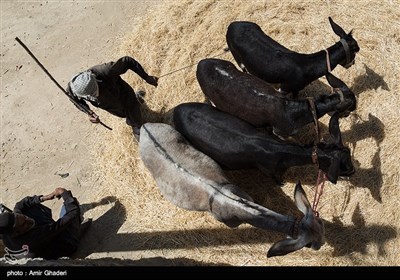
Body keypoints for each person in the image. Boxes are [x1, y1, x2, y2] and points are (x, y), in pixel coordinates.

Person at [66, 56, 159, 140]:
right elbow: (75, 101)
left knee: (137, 124)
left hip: (123, 94)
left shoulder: (105, 70)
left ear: (95, 79)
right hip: (110, 106)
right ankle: (135, 105)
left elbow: (127, 61)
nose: (96, 95)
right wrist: (89, 112)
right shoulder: (74, 89)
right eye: (92, 96)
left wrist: (146, 77)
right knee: (124, 114)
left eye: (95, 91)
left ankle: (137, 127)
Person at [0, 187, 91, 260]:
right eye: (24, 223)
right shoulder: (35, 237)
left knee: (28, 208)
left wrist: (46, 197)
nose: (28, 219)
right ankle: (76, 233)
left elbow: (20, 205)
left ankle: (71, 228)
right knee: (70, 206)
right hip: (63, 247)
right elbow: (72, 214)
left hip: (43, 242)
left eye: (23, 217)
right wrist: (65, 194)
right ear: (17, 233)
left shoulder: (7, 233)